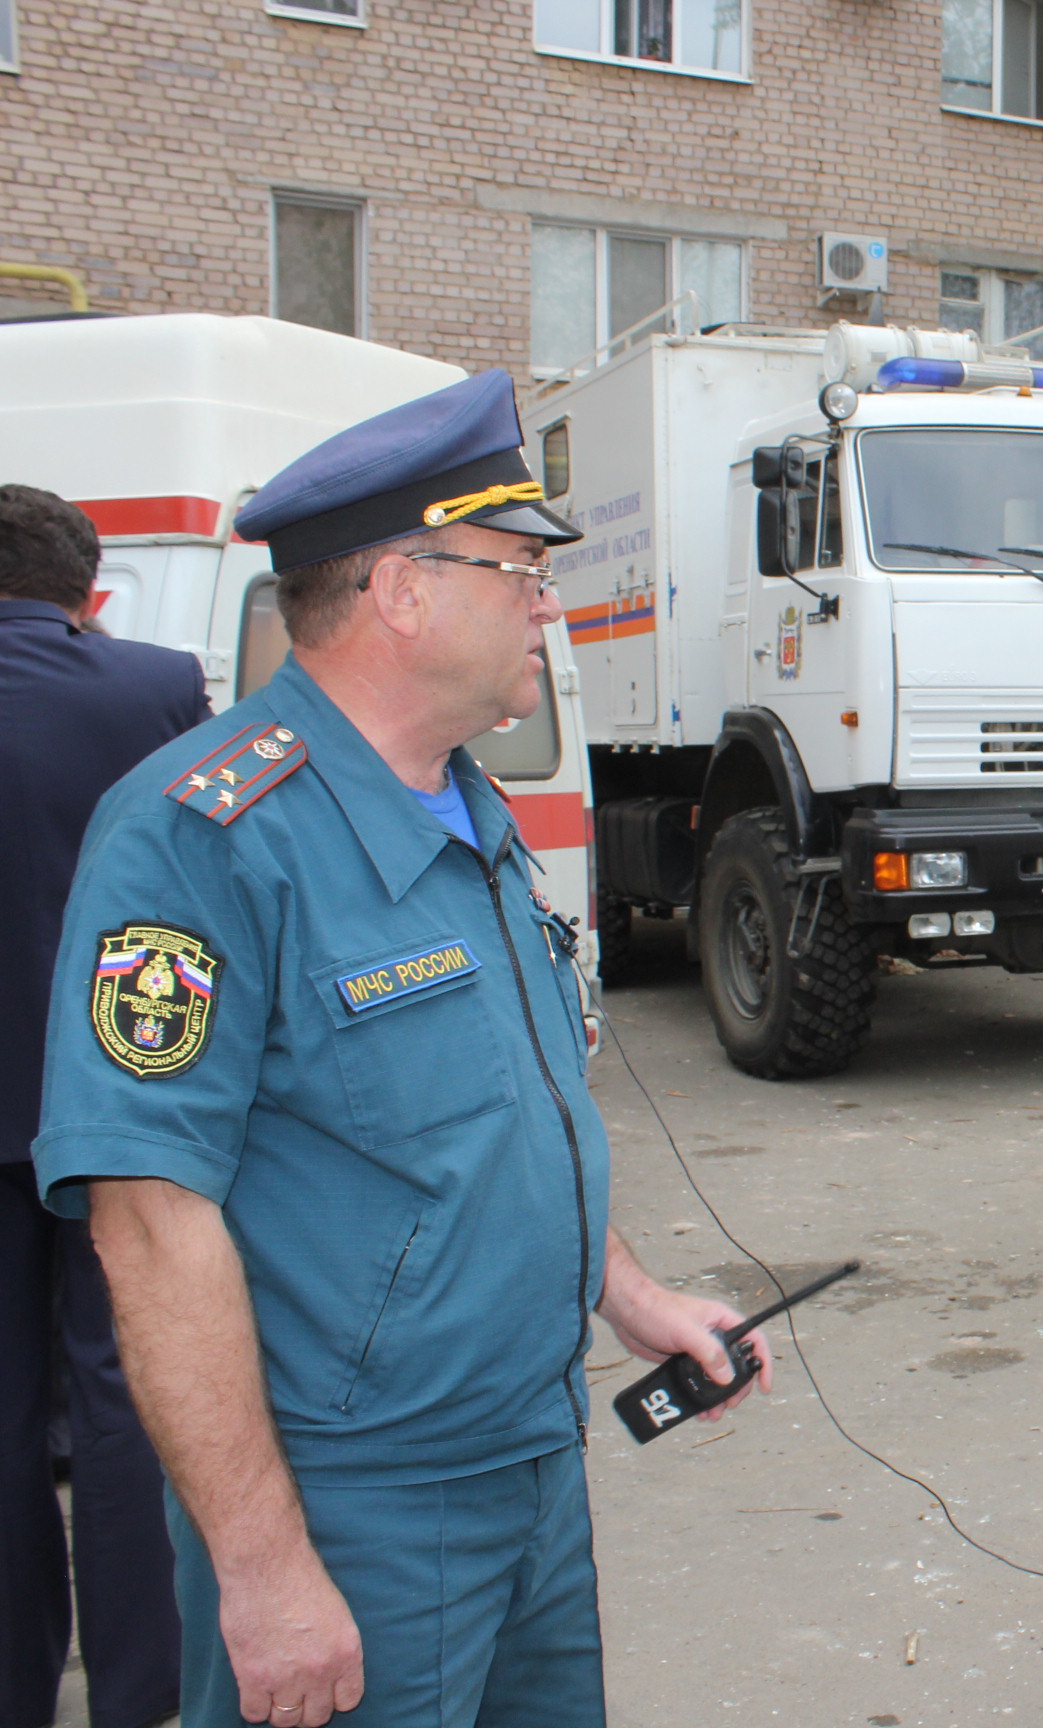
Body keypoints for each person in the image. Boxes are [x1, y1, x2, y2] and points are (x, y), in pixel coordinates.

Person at [32, 370, 777, 1728]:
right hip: (353, 1500)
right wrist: (263, 1576)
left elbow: (504, 1111)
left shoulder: (465, 803)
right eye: (519, 571)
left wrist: (633, 1298)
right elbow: (147, 1221)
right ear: (402, 590)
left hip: (532, 1461)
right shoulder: (201, 834)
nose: (547, 604)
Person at [1, 485, 205, 1728]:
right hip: (115, 1105)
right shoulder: (155, 686)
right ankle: (143, 1694)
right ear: (92, 599)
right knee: (128, 1401)